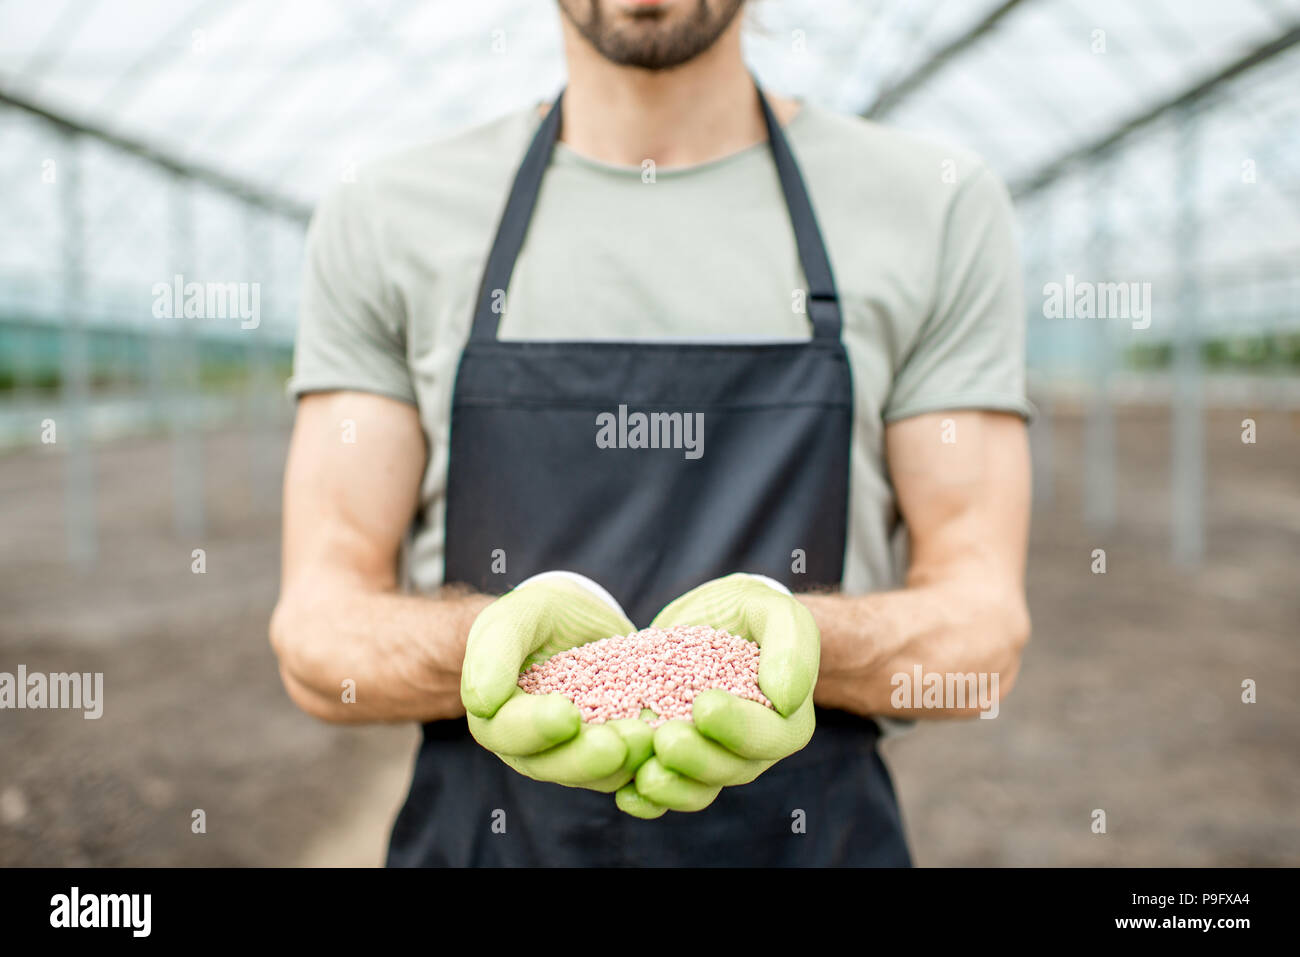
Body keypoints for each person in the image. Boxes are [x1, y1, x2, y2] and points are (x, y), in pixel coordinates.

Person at [270, 0, 1032, 867]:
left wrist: (799, 644)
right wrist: (487, 647)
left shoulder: (931, 207)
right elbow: (317, 630)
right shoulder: (388, 216)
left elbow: (982, 626)